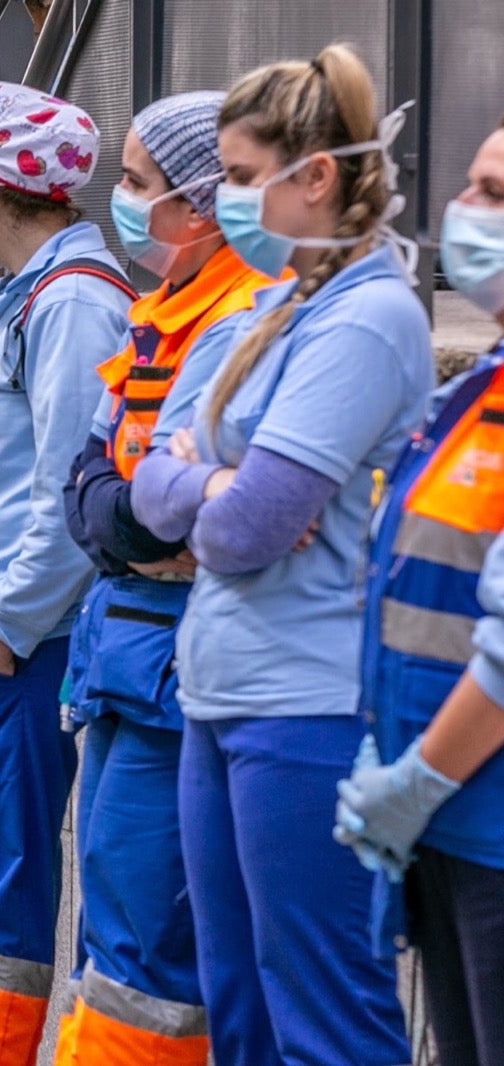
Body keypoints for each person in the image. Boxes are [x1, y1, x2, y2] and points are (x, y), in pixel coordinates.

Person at [130, 44, 430, 1065]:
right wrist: (211, 483)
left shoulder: (367, 317)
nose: (226, 200)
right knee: (239, 1005)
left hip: (307, 702)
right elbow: (143, 480)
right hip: (224, 690)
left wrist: (206, 487)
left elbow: (243, 528)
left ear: (316, 177)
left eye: (244, 178)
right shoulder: (275, 307)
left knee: (322, 1009)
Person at [0, 83, 135, 1065]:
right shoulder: (36, 293)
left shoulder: (72, 302)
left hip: (16, 641)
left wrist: (0, 635)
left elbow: (65, 491)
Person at [54, 92, 272, 1065]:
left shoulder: (229, 321)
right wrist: (126, 504)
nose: (124, 203)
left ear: (195, 202)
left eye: (139, 184)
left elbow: (145, 502)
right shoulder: (163, 311)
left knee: (149, 946)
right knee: (116, 931)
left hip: (163, 670)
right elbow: (94, 491)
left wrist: (128, 503)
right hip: (127, 650)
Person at [336, 119, 504, 1066]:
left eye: (499, 196)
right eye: (474, 187)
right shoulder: (477, 389)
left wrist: (420, 780)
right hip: (452, 822)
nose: (470, 214)